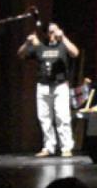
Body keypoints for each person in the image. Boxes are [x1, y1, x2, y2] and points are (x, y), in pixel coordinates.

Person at [18, 22, 79, 157]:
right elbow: (21, 54)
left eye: (56, 30)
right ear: (46, 34)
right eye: (51, 32)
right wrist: (27, 43)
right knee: (44, 118)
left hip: (60, 86)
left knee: (62, 117)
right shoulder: (40, 46)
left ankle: (66, 147)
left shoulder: (63, 45)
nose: (53, 34)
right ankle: (48, 147)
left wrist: (63, 37)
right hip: (43, 86)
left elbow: (75, 53)